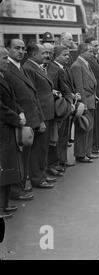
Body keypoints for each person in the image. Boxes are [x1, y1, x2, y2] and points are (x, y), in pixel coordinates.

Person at [3, 39, 43, 199]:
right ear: (8, 49)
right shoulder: (7, 68)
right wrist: (18, 115)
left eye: (23, 48)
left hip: (28, 119)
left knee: (25, 157)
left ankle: (21, 184)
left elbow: (32, 94)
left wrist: (38, 118)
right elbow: (9, 98)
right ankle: (15, 190)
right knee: (16, 159)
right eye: (16, 48)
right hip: (18, 120)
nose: (21, 51)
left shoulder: (21, 67)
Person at [22, 43, 56, 188]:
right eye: (43, 53)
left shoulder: (35, 67)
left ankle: (41, 174)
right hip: (40, 114)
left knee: (43, 147)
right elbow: (32, 96)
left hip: (47, 113)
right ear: (34, 54)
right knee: (38, 148)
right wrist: (40, 119)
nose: (46, 56)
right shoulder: (29, 68)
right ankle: (37, 178)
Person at [0, 57, 25, 218]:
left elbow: (11, 101)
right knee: (2, 167)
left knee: (8, 166)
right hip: (3, 128)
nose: (6, 61)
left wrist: (20, 111)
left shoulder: (3, 76)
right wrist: (17, 118)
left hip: (7, 128)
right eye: (3, 58)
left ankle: (4, 203)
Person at [46, 45, 76, 173]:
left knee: (63, 136)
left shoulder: (63, 68)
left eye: (68, 54)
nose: (68, 57)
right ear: (56, 56)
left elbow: (67, 89)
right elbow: (63, 89)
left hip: (63, 107)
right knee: (58, 137)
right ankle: (58, 161)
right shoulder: (56, 69)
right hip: (59, 109)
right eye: (65, 54)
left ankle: (61, 160)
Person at [70, 43, 97, 163]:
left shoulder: (85, 63)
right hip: (85, 101)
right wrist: (84, 104)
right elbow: (79, 87)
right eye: (90, 51)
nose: (92, 53)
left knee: (89, 127)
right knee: (83, 127)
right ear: (82, 52)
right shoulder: (77, 65)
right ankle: (80, 154)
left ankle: (87, 151)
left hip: (91, 99)